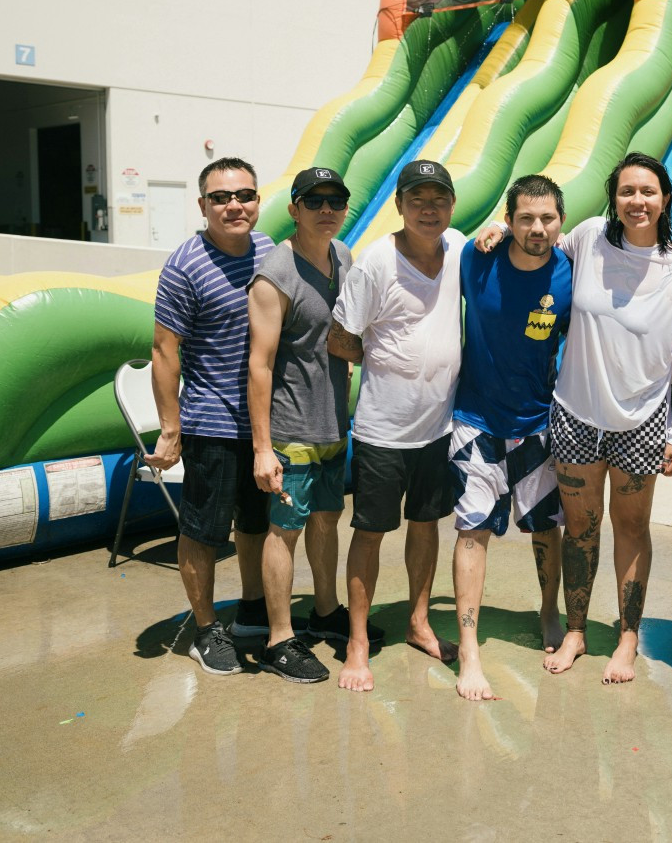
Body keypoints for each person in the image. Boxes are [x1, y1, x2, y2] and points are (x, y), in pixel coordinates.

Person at [530, 153, 672, 684]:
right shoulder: (587, 238)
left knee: (632, 527)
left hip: (645, 417)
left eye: (648, 191)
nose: (638, 201)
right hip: (577, 412)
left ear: (665, 199)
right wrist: (498, 228)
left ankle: (628, 636)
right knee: (581, 527)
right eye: (628, 191)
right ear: (614, 197)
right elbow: (535, 245)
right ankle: (577, 630)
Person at [329, 160, 465, 692]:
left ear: (451, 206)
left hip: (438, 426)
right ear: (400, 205)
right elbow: (341, 339)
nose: (428, 209)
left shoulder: (456, 247)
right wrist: (390, 359)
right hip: (383, 430)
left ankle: (418, 622)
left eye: (438, 199)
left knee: (427, 525)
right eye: (418, 199)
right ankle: (359, 643)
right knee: (369, 532)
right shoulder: (375, 263)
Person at [450, 175, 574, 701]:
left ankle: (548, 612)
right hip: (475, 420)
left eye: (547, 218)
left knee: (547, 529)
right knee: (471, 531)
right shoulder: (476, 258)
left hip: (537, 425)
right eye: (525, 218)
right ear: (510, 218)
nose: (537, 228)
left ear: (561, 221)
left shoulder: (571, 271)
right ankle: (469, 649)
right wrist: (491, 228)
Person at [149, 156, 273, 674]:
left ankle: (250, 607)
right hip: (211, 421)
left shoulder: (268, 251)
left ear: (258, 202)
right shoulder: (183, 267)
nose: (233, 206)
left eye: (243, 195)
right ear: (202, 206)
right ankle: (205, 629)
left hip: (263, 421)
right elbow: (163, 351)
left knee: (256, 522)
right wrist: (171, 429)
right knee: (203, 531)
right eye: (221, 198)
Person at [246, 168, 353, 685]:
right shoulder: (275, 275)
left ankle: (327, 612)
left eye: (336, 200)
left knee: (327, 520)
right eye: (314, 201)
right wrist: (263, 448)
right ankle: (279, 638)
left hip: (333, 424)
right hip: (290, 430)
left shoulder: (344, 257)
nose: (326, 209)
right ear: (294, 209)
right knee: (283, 531)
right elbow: (259, 364)